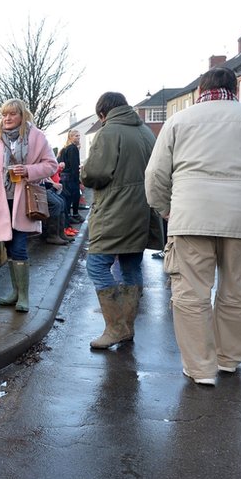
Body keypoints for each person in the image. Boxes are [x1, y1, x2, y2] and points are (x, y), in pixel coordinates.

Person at [145, 67, 241, 386]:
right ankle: (228, 359)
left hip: (190, 216)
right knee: (236, 290)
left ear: (201, 89)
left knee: (191, 295)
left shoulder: (179, 121)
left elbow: (155, 176)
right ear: (234, 89)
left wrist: (166, 209)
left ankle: (200, 368)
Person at [82, 92, 160, 349]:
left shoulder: (109, 132)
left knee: (96, 265)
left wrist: (85, 173)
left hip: (115, 210)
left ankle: (115, 328)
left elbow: (96, 173)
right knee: (131, 267)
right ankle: (127, 327)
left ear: (103, 113)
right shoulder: (147, 132)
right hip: (142, 210)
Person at [0, 98, 59, 312]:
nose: (7, 118)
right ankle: (14, 291)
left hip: (24, 201)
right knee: (9, 246)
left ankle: (23, 296)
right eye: (4, 114)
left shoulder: (36, 137)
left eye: (12, 114)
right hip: (0, 202)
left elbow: (51, 165)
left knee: (20, 246)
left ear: (22, 115)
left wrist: (29, 170)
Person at [58, 129, 83, 223]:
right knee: (74, 196)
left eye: (79, 135)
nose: (79, 137)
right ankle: (73, 216)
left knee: (68, 197)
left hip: (64, 177)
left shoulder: (65, 148)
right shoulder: (72, 148)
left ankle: (70, 216)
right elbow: (74, 166)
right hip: (70, 177)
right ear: (70, 137)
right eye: (76, 136)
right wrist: (78, 180)